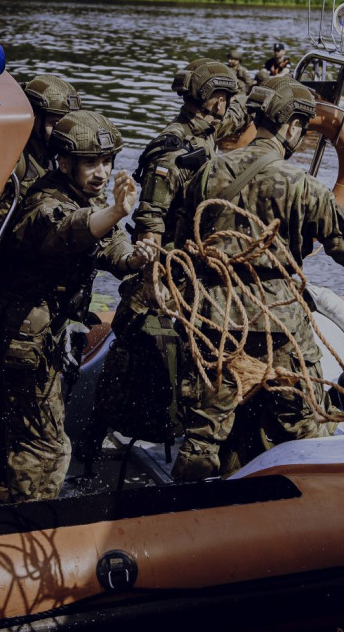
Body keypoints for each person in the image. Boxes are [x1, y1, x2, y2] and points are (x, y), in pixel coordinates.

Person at [169, 77, 344, 482]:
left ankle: (185, 513)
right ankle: (301, 501)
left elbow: (180, 241)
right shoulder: (301, 186)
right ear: (293, 127)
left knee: (206, 431)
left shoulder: (210, 169)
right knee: (302, 420)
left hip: (215, 318)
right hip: (277, 323)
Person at [0, 110, 150, 503]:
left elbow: (109, 244)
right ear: (63, 162)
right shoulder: (43, 202)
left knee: (9, 426)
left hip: (37, 332)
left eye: (107, 162)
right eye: (90, 162)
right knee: (47, 447)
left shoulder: (88, 197)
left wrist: (134, 259)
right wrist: (114, 210)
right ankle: (31, 515)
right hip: (17, 335)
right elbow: (67, 229)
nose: (101, 172)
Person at [79, 58, 248, 471]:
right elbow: (149, 223)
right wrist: (154, 279)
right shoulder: (172, 151)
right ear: (209, 100)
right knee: (130, 362)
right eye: (221, 96)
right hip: (165, 271)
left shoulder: (209, 128)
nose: (226, 103)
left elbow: (241, 111)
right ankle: (90, 449)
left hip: (192, 268)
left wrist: (251, 79)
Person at [0, 74, 81, 493]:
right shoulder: (8, 164)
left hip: (26, 298)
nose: (58, 130)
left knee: (10, 391)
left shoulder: (56, 166)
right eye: (52, 121)